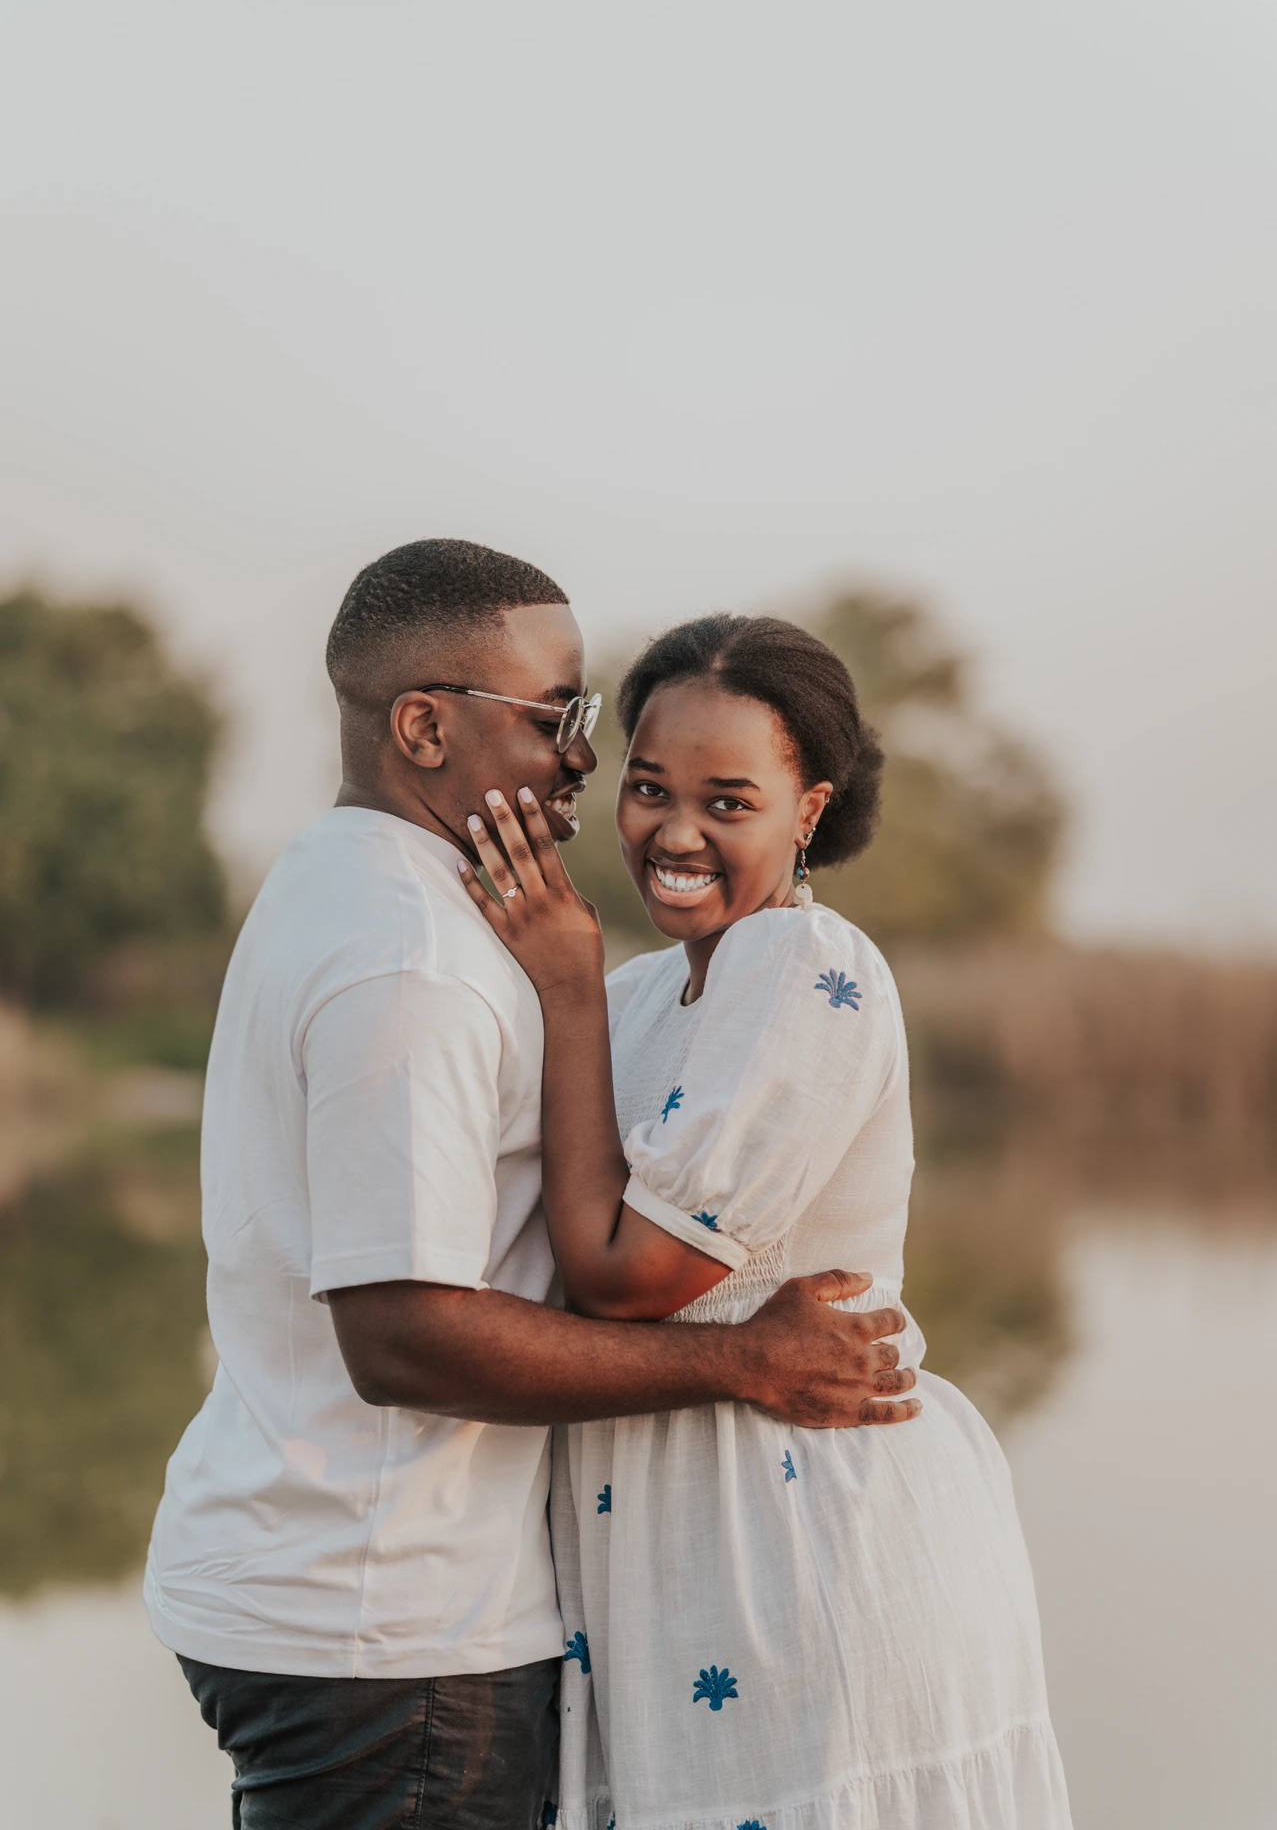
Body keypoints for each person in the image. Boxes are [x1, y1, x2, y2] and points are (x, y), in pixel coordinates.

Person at [144, 542, 919, 1830]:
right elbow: (403, 1336)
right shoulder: (417, 963)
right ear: (423, 727)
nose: (581, 757)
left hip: (374, 1589)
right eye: (559, 718)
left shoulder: (345, 885)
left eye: (587, 718)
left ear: (807, 808)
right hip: (387, 1617)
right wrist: (741, 1362)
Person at [458, 611, 1072, 1830]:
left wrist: (563, 986)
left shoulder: (805, 971)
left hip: (795, 1541)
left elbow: (625, 1280)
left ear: (808, 811)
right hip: (673, 1541)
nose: (674, 833)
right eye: (648, 788)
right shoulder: (639, 992)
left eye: (726, 802)